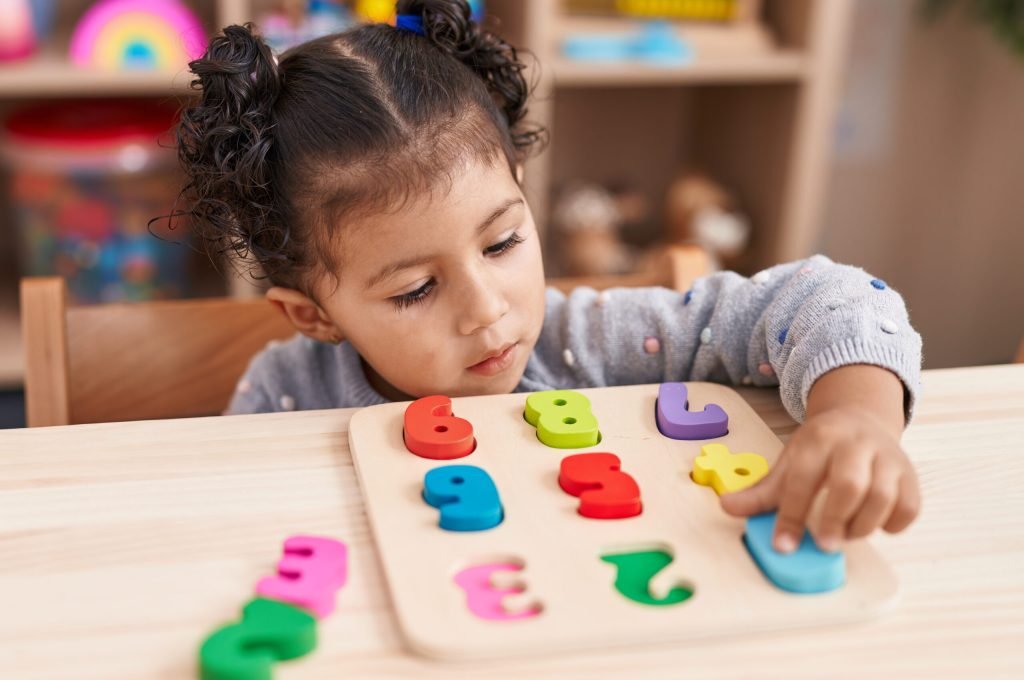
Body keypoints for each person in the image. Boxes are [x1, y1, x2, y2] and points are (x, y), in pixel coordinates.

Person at [172, 0, 922, 555]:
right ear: (313, 315)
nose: (487, 310)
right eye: (415, 291)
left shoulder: (592, 345)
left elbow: (833, 298)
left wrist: (854, 419)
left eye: (501, 242)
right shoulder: (284, 397)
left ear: (523, 188)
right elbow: (232, 544)